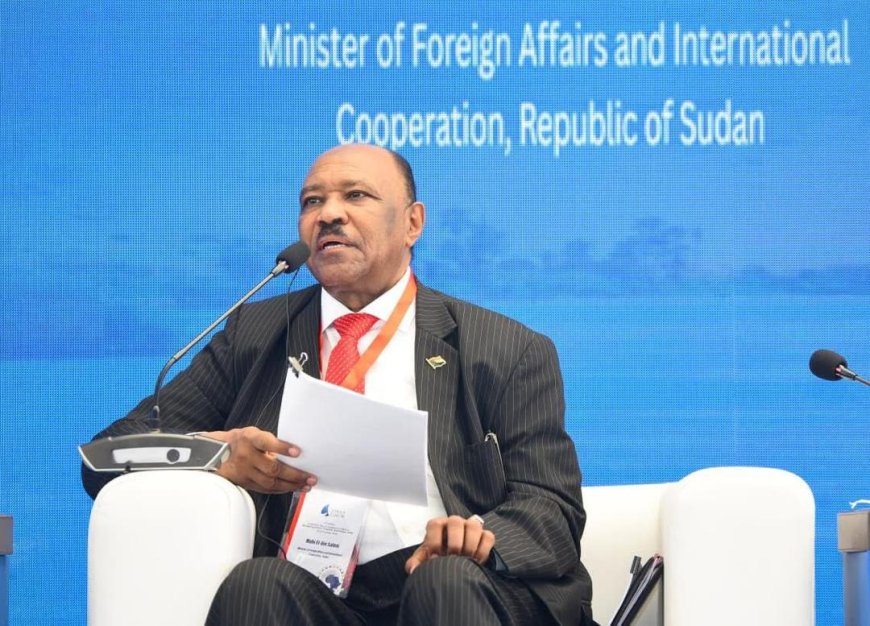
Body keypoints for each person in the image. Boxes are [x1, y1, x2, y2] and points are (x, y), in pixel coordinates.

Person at [82, 144, 594, 625]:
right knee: (258, 584)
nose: (329, 214)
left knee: (445, 580)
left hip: (458, 587)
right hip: (320, 593)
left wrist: (478, 536)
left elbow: (552, 508)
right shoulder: (254, 335)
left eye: (356, 195)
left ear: (412, 223)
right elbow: (109, 455)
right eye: (312, 201)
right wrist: (218, 455)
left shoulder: (503, 348)